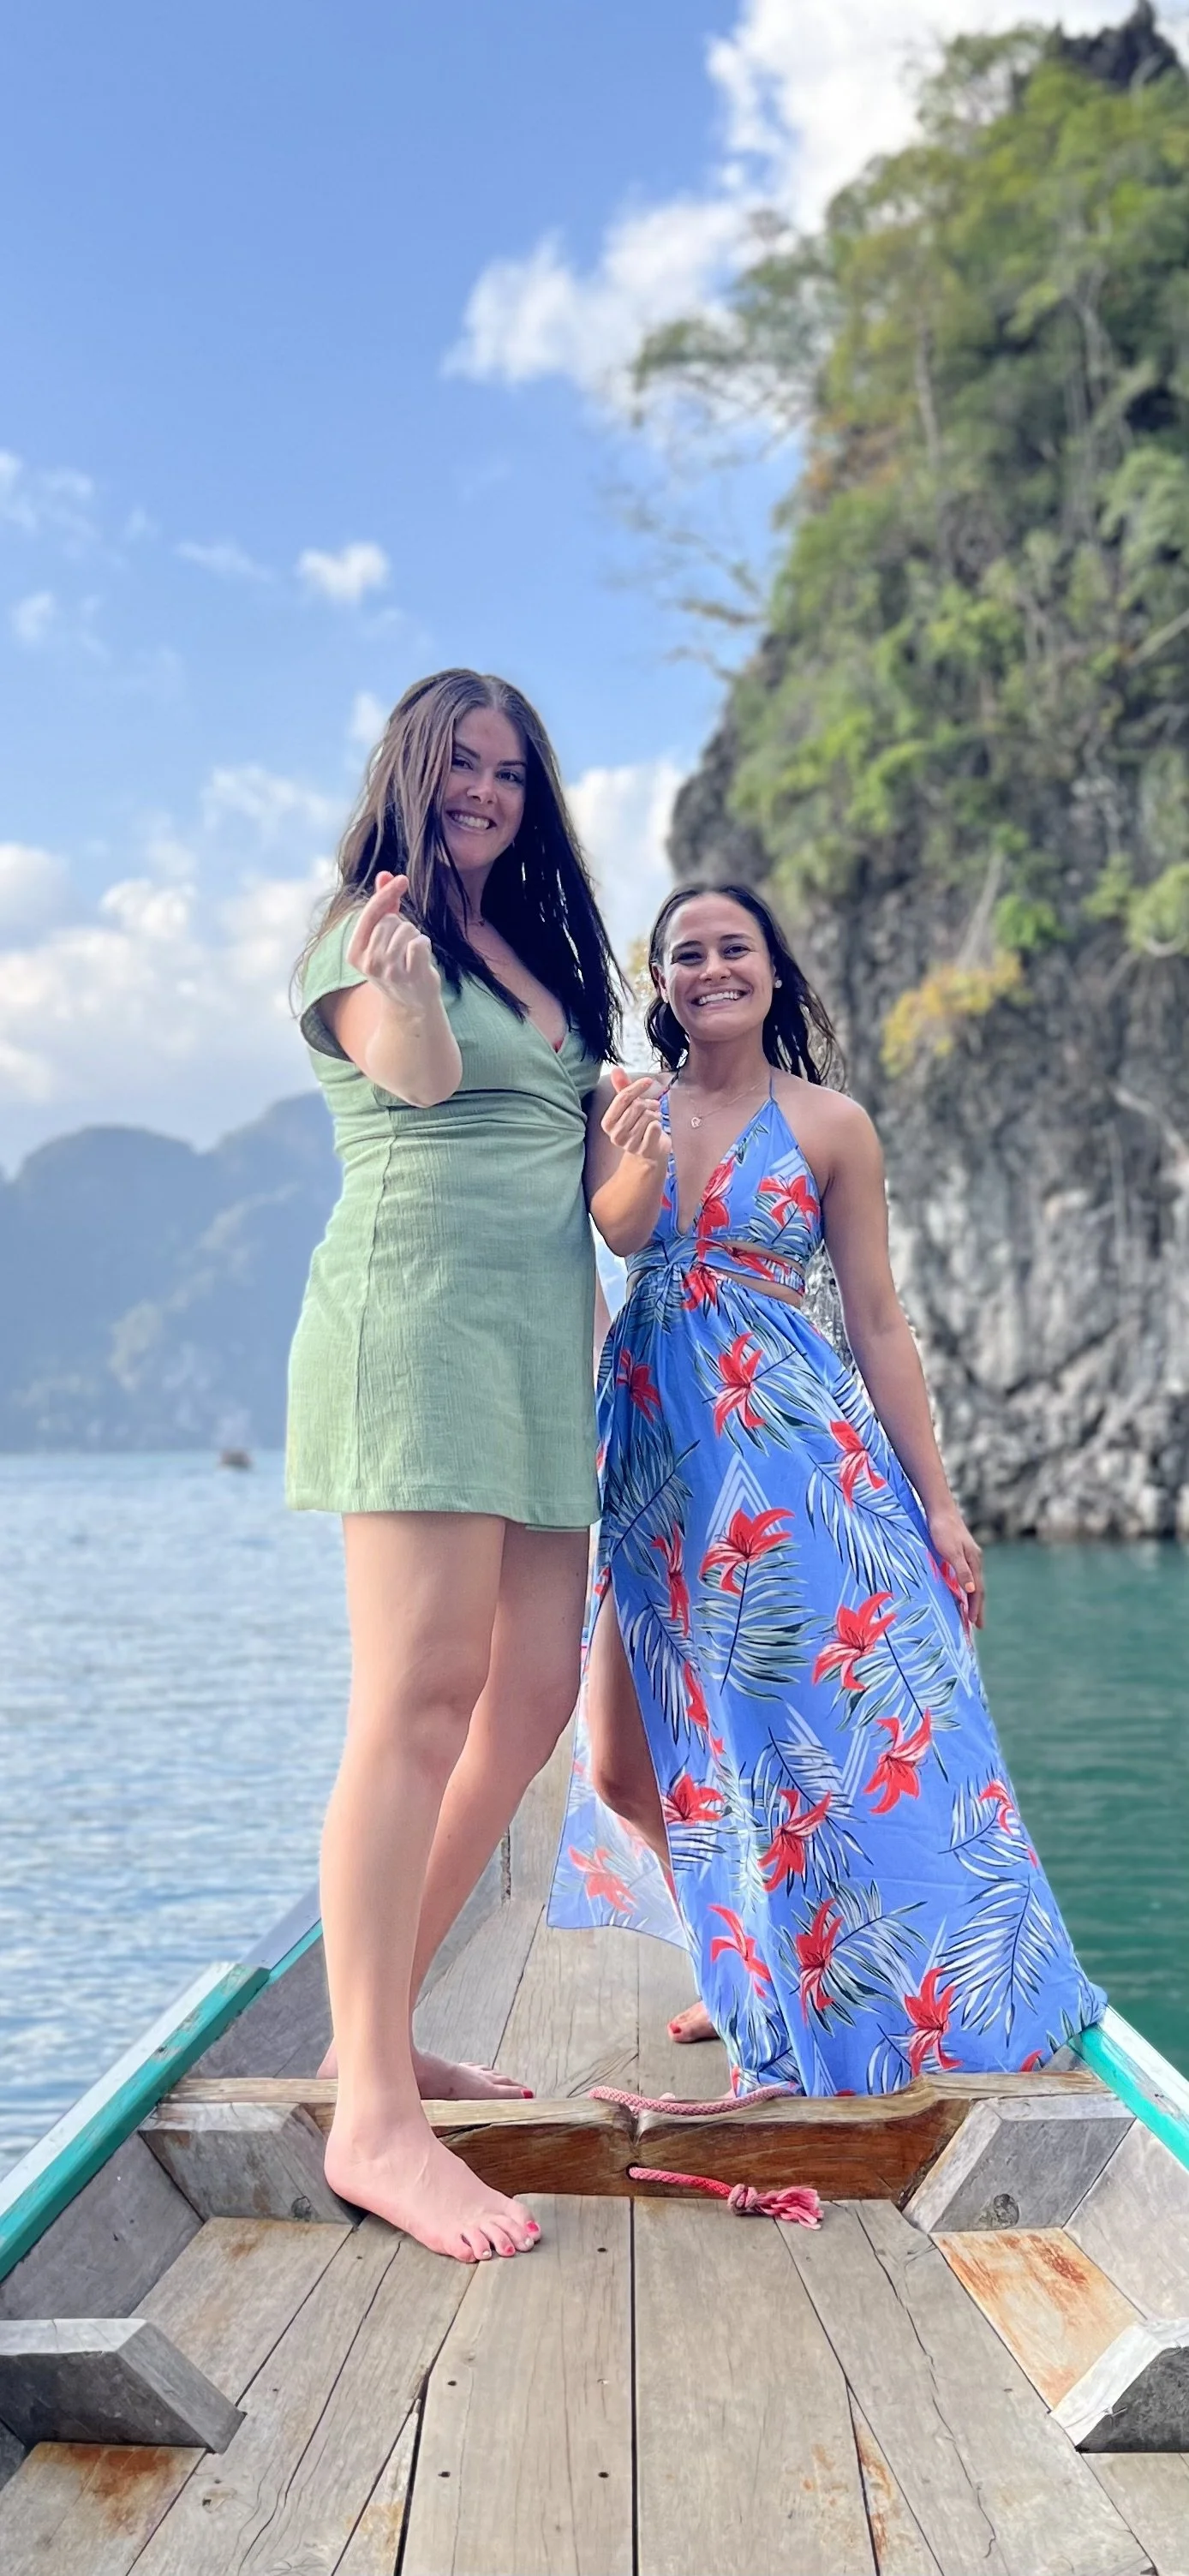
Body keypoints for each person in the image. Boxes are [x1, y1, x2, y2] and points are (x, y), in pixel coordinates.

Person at [553, 883, 1105, 2095]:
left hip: (792, 1459)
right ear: (663, 986)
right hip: (654, 1456)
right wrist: (638, 1158)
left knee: (797, 1753)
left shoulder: (833, 1124)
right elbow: (625, 1232)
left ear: (775, 970)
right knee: (617, 1765)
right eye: (684, 955)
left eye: (732, 947)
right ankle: (741, 1960)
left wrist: (942, 1505)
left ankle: (847, 2002)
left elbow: (878, 1321)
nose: (709, 968)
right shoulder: (622, 1105)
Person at [287, 667, 629, 2262]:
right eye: (462, 763)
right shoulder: (359, 934)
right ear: (411, 773)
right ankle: (373, 2120)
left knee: (534, 1699)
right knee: (418, 1699)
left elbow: (585, 1173)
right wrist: (409, 978)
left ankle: (379, 2031)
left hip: (535, 1353)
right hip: (412, 1325)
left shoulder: (546, 948)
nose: (486, 787)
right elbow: (420, 1079)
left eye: (510, 768)